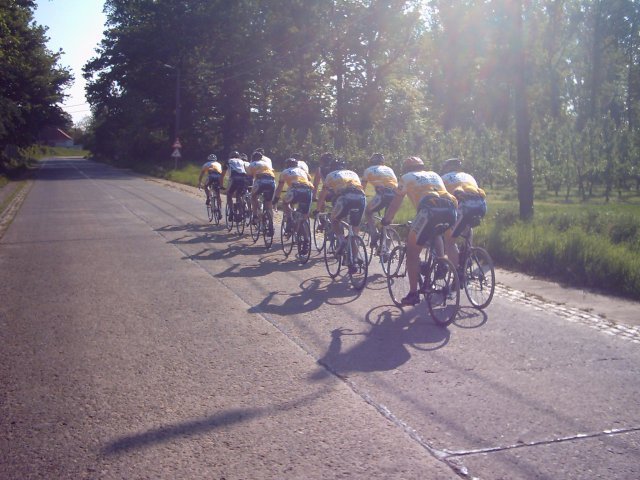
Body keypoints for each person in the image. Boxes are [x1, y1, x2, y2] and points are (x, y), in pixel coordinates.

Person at [381, 156, 458, 306]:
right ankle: (441, 262)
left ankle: (413, 294)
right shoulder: (435, 175)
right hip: (449, 211)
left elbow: (396, 203)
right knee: (437, 233)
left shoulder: (406, 178)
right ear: (422, 166)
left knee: (412, 254)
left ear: (406, 169)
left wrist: (387, 219)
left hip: (428, 212)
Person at [316, 158, 367, 268]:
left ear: (332, 167)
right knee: (355, 229)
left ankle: (341, 240)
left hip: (345, 198)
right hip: (361, 198)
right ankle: (354, 257)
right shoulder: (353, 173)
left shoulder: (331, 175)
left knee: (334, 220)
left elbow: (323, 194)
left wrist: (318, 209)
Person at [440, 157, 487, 269]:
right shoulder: (469, 176)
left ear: (446, 168)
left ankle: (457, 274)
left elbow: (440, 199)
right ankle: (468, 253)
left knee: (450, 242)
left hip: (464, 206)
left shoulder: (443, 178)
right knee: (467, 225)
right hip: (481, 206)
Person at [273, 158, 314, 254]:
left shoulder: (285, 171)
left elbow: (279, 187)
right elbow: (309, 181)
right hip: (308, 190)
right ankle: (306, 242)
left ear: (287, 165)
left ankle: (290, 220)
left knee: (285, 203)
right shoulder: (303, 171)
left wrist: (275, 199)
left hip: (295, 189)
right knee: (303, 218)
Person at [360, 153, 398, 248]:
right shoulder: (389, 169)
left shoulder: (368, 170)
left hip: (382, 195)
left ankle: (374, 235)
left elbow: (361, 189)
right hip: (395, 195)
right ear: (383, 162)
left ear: (372, 162)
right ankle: (387, 248)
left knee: (368, 212)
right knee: (389, 219)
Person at [245, 150, 276, 226]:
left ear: (253, 158)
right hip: (271, 181)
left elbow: (249, 177)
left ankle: (255, 216)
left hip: (260, 181)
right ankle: (271, 224)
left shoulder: (251, 164)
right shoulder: (266, 164)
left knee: (253, 196)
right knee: (269, 204)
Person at [221, 151, 249, 221]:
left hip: (234, 178)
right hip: (243, 178)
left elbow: (222, 175)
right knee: (238, 195)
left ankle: (231, 212)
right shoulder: (242, 161)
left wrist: (221, 185)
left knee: (229, 194)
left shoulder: (228, 161)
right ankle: (241, 213)